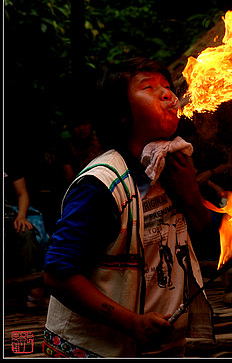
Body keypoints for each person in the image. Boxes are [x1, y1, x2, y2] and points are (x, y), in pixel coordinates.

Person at [43, 57, 218, 358]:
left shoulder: (173, 163)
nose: (167, 94)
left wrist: (190, 192)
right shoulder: (101, 185)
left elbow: (210, 241)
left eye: (166, 86)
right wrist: (131, 322)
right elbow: (58, 273)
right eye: (149, 88)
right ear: (121, 115)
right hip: (94, 350)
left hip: (159, 346)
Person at [4, 156, 50, 309]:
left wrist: (21, 216)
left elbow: (22, 194)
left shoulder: (8, 163)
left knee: (26, 231)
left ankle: (35, 292)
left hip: (11, 214)